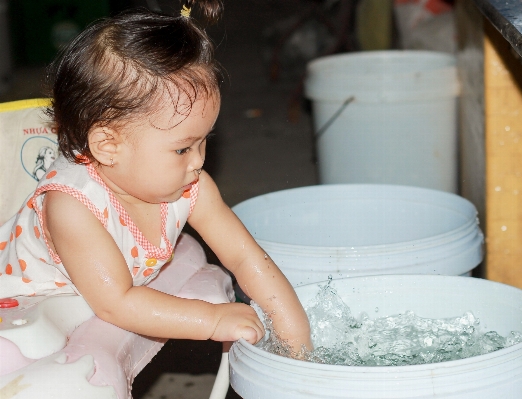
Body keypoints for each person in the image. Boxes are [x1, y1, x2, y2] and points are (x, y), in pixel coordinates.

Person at [0, 1, 312, 354]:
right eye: (182, 149)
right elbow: (115, 303)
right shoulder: (72, 207)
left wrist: (298, 342)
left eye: (203, 141)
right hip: (26, 306)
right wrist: (210, 320)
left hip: (111, 292)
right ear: (107, 146)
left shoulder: (190, 185)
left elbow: (247, 258)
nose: (197, 162)